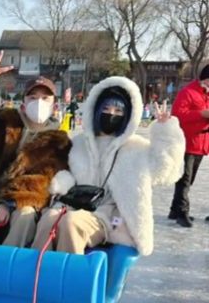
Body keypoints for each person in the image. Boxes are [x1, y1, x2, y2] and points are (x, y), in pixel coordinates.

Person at [32, 76, 185, 255]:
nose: (111, 114)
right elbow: (69, 173)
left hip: (110, 217)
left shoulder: (136, 148)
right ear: (96, 110)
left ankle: (70, 278)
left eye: (118, 110)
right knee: (48, 218)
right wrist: (61, 183)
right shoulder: (80, 143)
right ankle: (37, 272)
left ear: (127, 116)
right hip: (75, 204)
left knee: (71, 223)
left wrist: (166, 133)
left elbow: (166, 172)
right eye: (106, 108)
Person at [0, 52, 72, 247]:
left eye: (45, 98)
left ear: (54, 106)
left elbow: (43, 182)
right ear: (23, 104)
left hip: (23, 205)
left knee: (24, 215)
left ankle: (6, 269)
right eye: (33, 97)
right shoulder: (2, 124)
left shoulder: (59, 144)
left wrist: (9, 202)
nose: (38, 102)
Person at [167, 61, 209, 227]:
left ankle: (174, 210)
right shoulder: (188, 92)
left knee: (188, 179)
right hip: (186, 142)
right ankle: (182, 212)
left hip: (201, 143)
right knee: (184, 180)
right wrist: (201, 113)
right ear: (205, 79)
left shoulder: (206, 95)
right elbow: (178, 114)